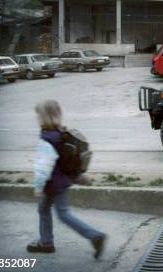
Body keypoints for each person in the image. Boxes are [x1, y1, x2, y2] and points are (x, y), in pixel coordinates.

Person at [27, 100, 106, 258]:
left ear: (44, 118)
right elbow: (65, 162)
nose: (36, 119)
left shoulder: (47, 140)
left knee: (63, 214)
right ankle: (46, 242)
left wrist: (38, 188)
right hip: (62, 183)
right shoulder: (62, 135)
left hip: (52, 185)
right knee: (45, 209)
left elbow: (43, 168)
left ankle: (94, 236)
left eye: (38, 116)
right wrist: (79, 177)